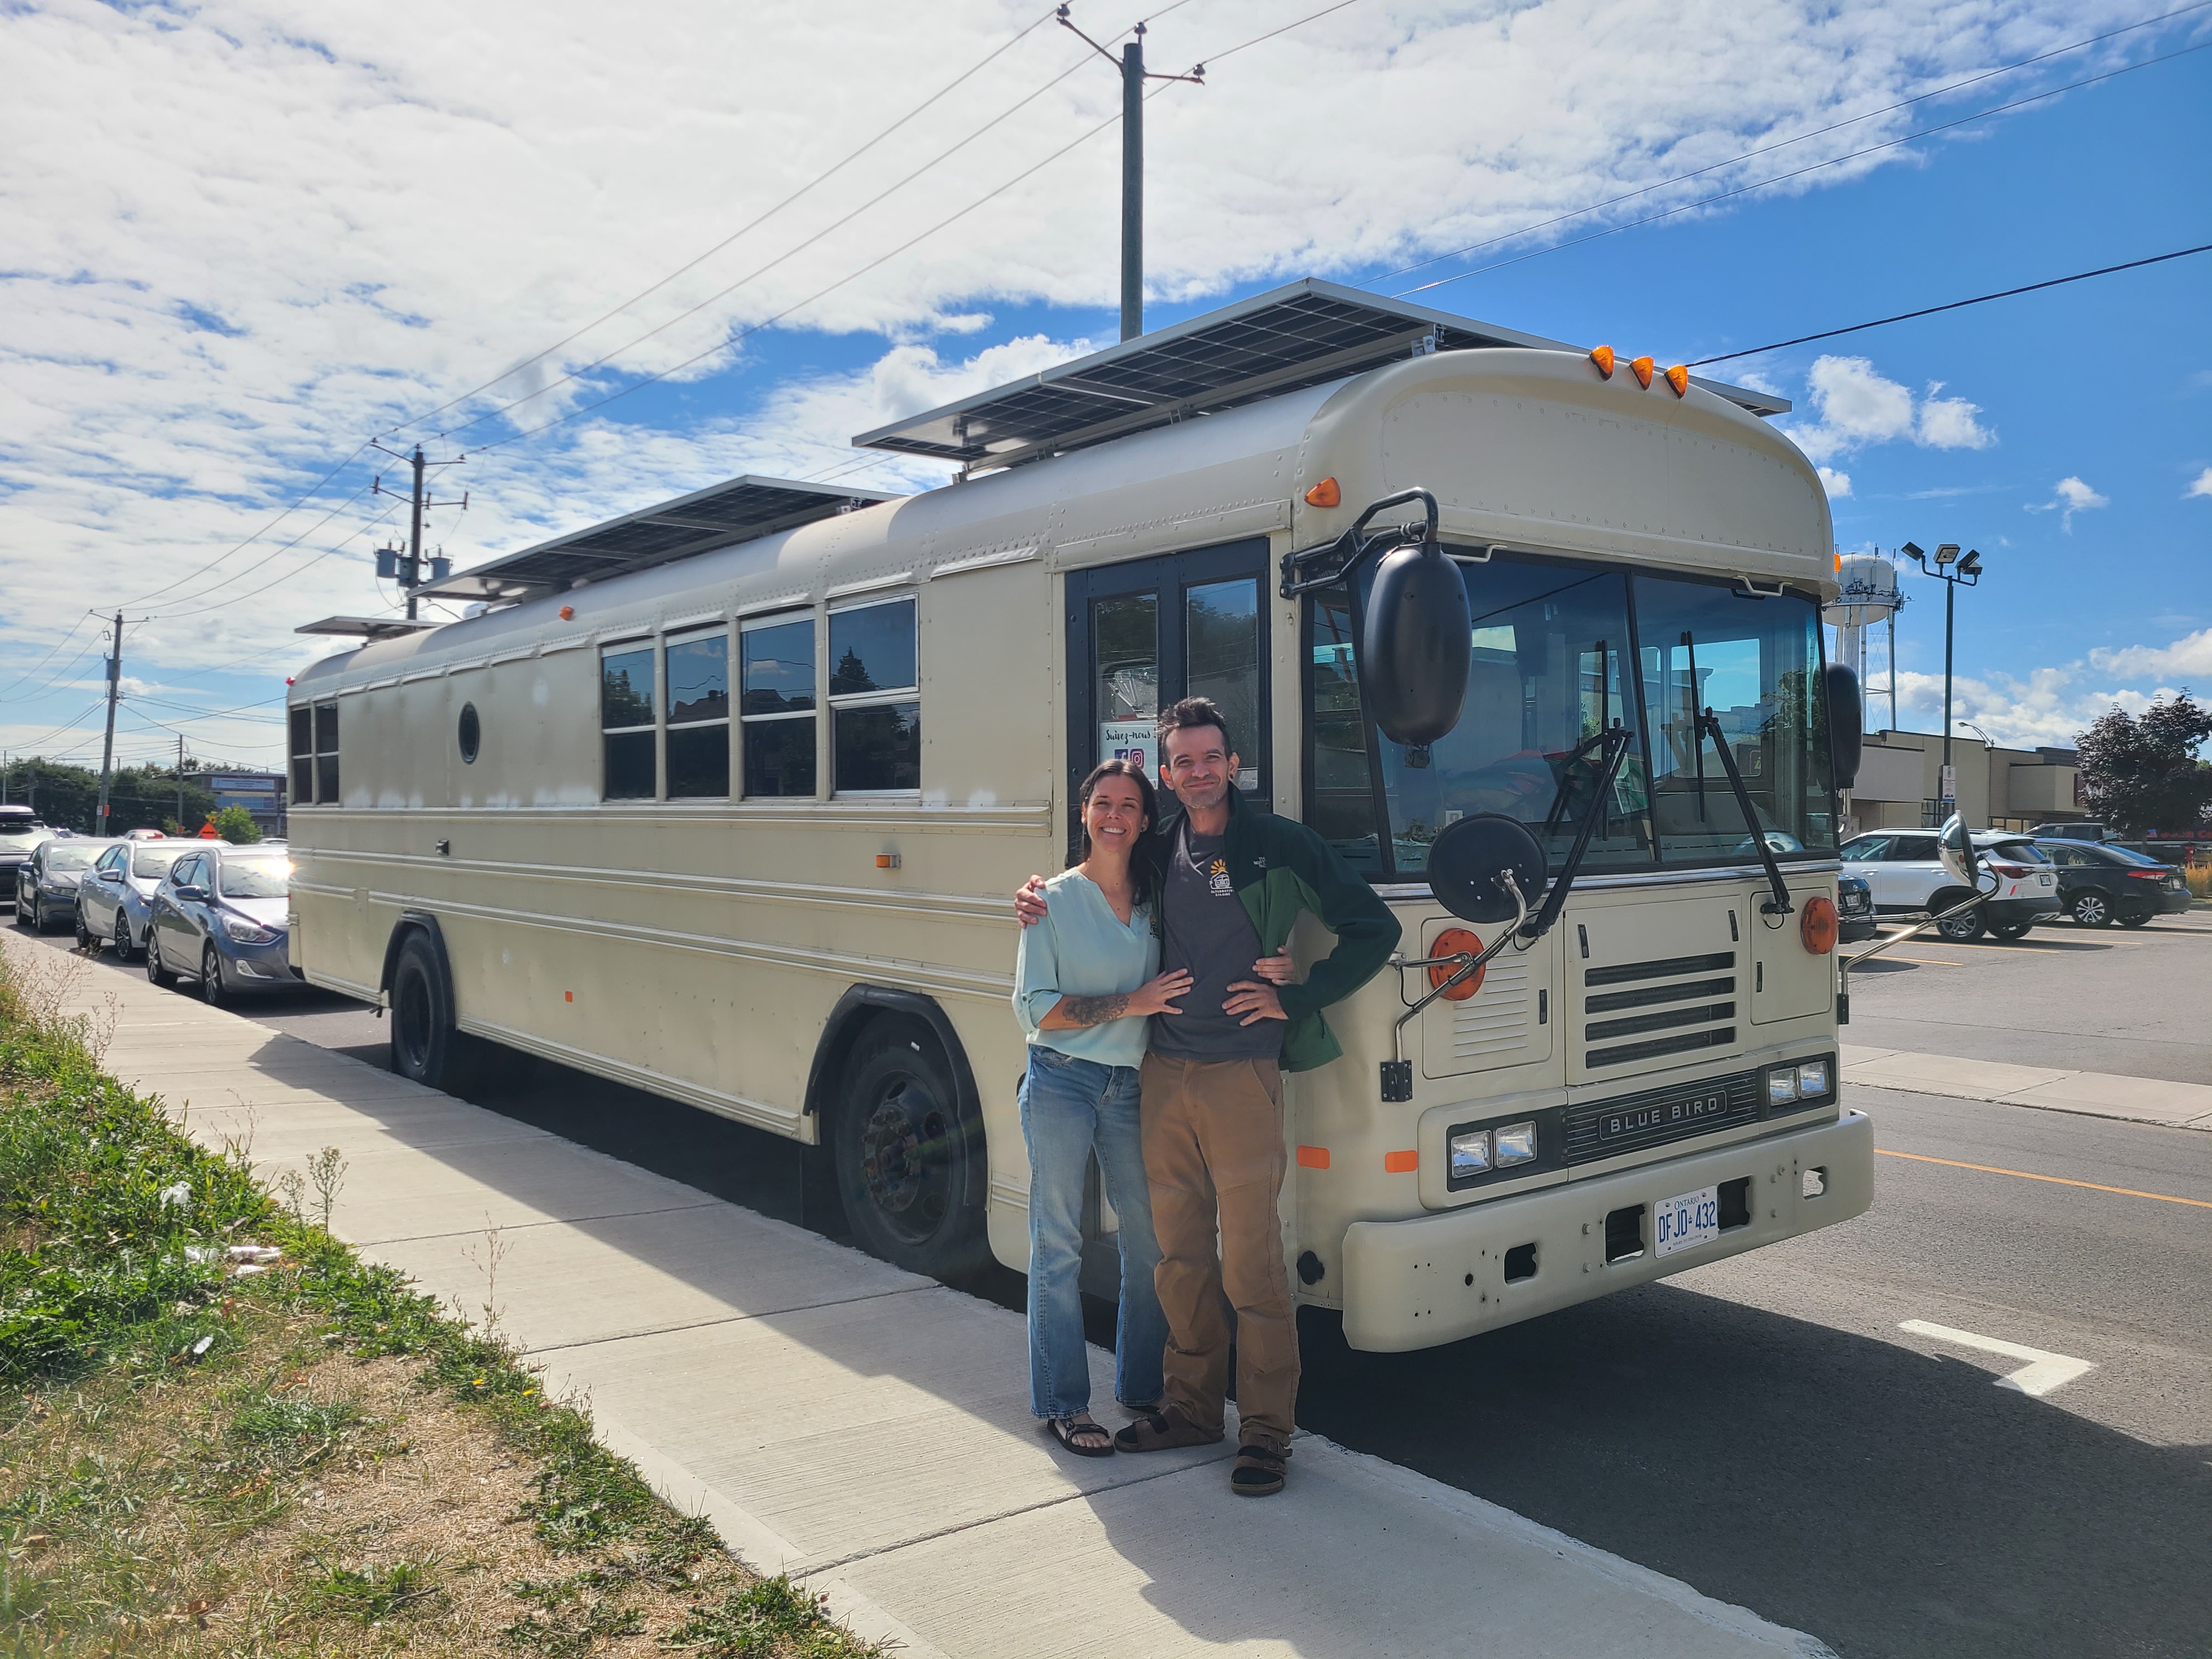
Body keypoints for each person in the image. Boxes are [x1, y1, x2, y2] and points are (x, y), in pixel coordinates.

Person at [1017, 697, 1400, 1496]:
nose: (1197, 771)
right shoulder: (1159, 849)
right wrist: (1034, 896)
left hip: (1240, 1076)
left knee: (1252, 1262)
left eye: (1209, 757)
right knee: (1178, 1257)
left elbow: (1373, 927)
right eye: (1182, 761)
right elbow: (1100, 866)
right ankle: (1190, 1409)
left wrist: (1298, 994)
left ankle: (1265, 1432)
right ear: (1168, 773)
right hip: (1161, 1075)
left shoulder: (1277, 846)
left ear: (1233, 764)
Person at [1012, 759, 1192, 1457]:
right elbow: (1037, 1010)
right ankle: (1063, 1404)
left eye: (1129, 805)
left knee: (1148, 1238)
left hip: (1131, 1082)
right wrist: (1132, 1004)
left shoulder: (1157, 901)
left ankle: (1143, 1387)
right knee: (1057, 1241)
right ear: (1084, 813)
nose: (1114, 815)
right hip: (1061, 1077)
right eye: (1102, 803)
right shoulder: (1051, 900)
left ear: (1147, 820)